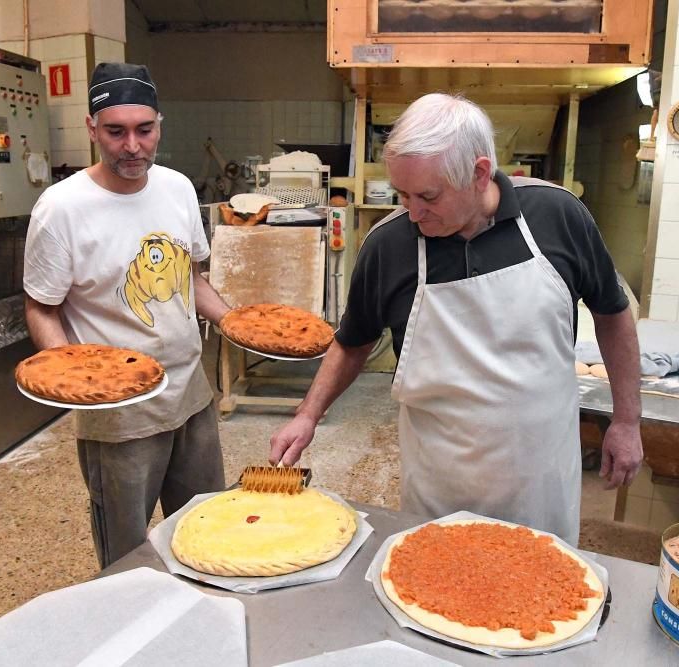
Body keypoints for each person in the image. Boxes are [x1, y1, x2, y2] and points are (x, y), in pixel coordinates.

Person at [270, 93, 642, 545]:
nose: (413, 211)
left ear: (480, 173)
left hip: (539, 476)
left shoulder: (557, 216)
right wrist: (308, 415)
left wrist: (626, 420)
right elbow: (353, 341)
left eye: (428, 195)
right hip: (439, 483)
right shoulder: (389, 246)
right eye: (402, 194)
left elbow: (613, 313)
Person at [22, 62, 230, 568]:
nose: (132, 146)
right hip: (119, 414)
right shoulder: (62, 208)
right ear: (92, 128)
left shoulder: (178, 188)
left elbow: (190, 278)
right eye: (116, 132)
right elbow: (40, 307)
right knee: (127, 550)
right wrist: (76, 378)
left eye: (144, 129)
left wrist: (234, 320)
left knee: (206, 528)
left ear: (159, 124)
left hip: (191, 394)